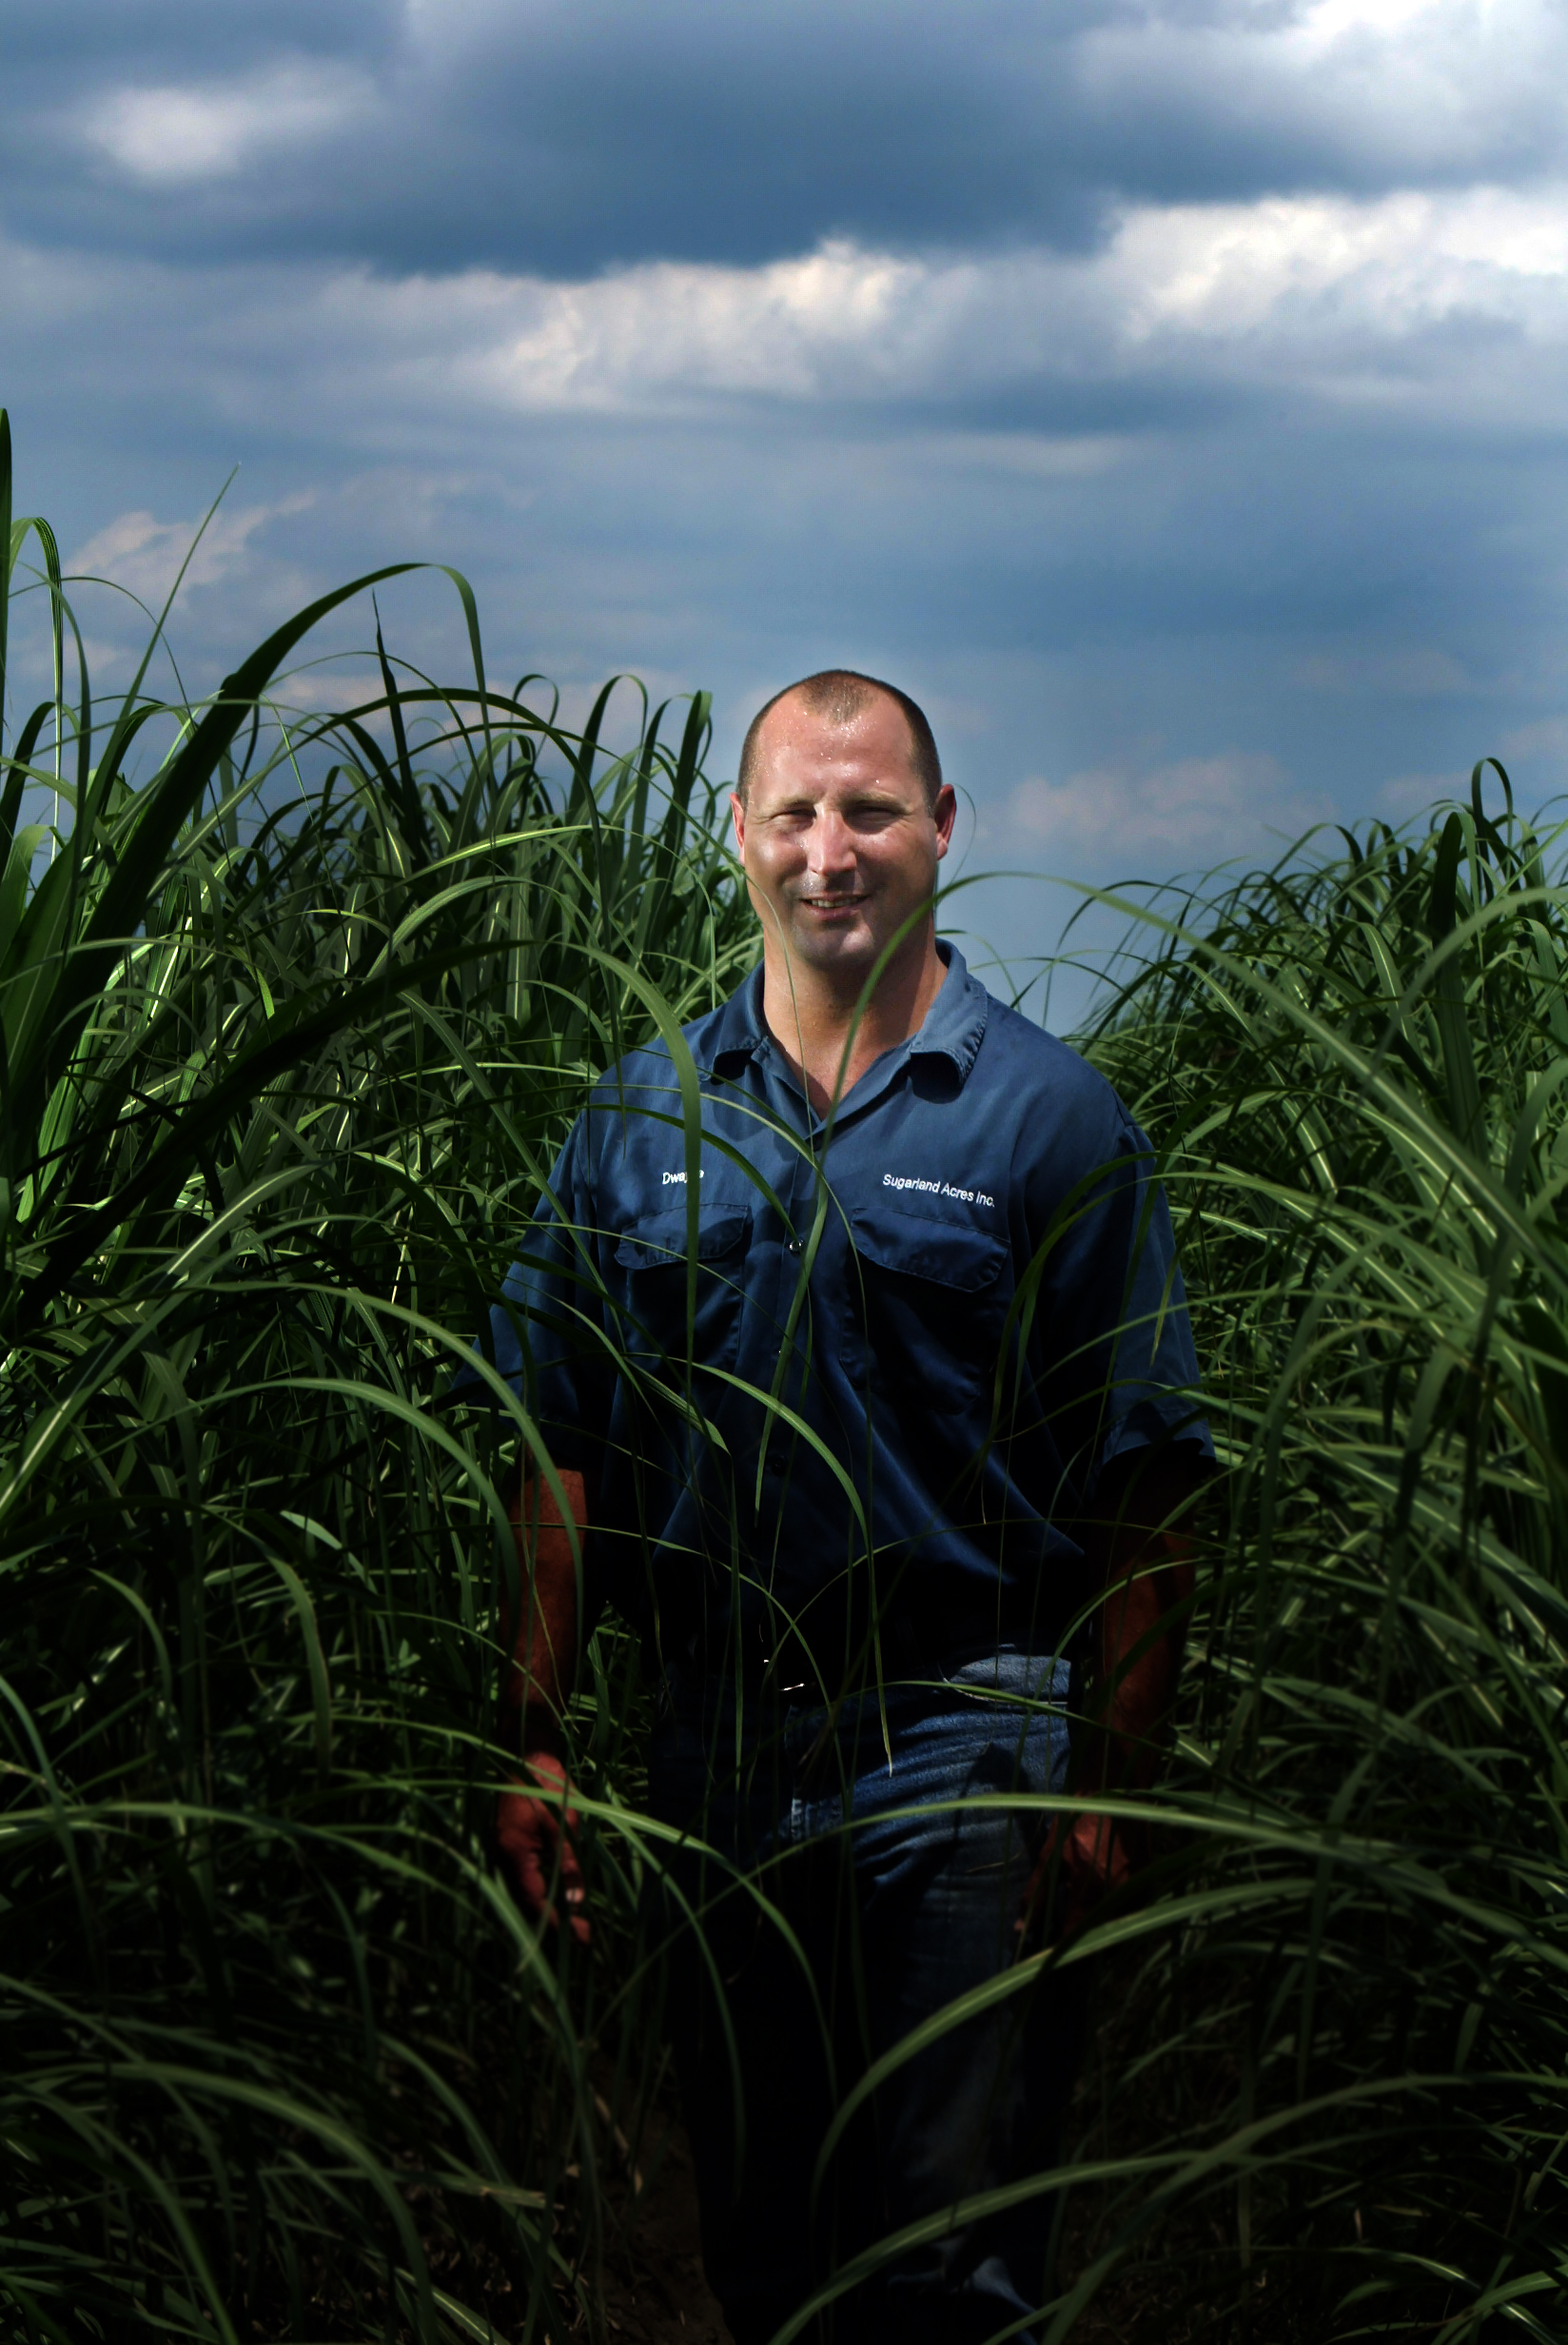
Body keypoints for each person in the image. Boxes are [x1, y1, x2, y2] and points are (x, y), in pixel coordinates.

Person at [472, 672, 1211, 2343]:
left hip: (968, 1737)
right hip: (714, 1749)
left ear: (940, 831)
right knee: (762, 2238)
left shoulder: (1051, 1117)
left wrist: (1115, 1784)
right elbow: (560, 1439)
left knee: (951, 2259)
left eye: (870, 811)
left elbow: (1146, 1474)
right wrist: (528, 1726)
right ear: (737, 834)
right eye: (795, 813)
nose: (831, 852)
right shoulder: (640, 1112)